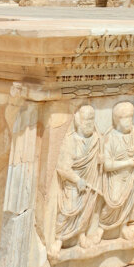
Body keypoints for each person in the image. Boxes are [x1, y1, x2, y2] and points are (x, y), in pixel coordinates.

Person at [99, 101, 134, 241]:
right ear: (117, 120)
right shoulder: (110, 137)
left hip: (133, 176)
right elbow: (107, 165)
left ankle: (125, 225)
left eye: (131, 117)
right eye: (126, 118)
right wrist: (129, 162)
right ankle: (100, 228)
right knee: (114, 202)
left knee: (132, 201)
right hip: (116, 178)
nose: (129, 121)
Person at [52, 104, 102, 255]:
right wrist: (76, 179)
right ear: (78, 121)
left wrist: (101, 159)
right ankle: (58, 239)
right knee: (68, 209)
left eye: (92, 120)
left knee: (86, 210)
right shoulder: (71, 141)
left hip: (90, 181)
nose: (89, 123)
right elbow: (62, 168)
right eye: (86, 120)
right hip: (74, 183)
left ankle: (81, 235)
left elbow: (98, 159)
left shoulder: (96, 139)